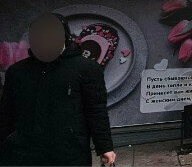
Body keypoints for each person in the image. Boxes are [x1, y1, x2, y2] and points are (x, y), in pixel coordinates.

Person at [0, 13, 116, 166]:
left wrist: (105, 147)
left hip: (69, 152)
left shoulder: (86, 69)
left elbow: (96, 110)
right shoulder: (17, 72)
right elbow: (6, 112)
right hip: (24, 153)